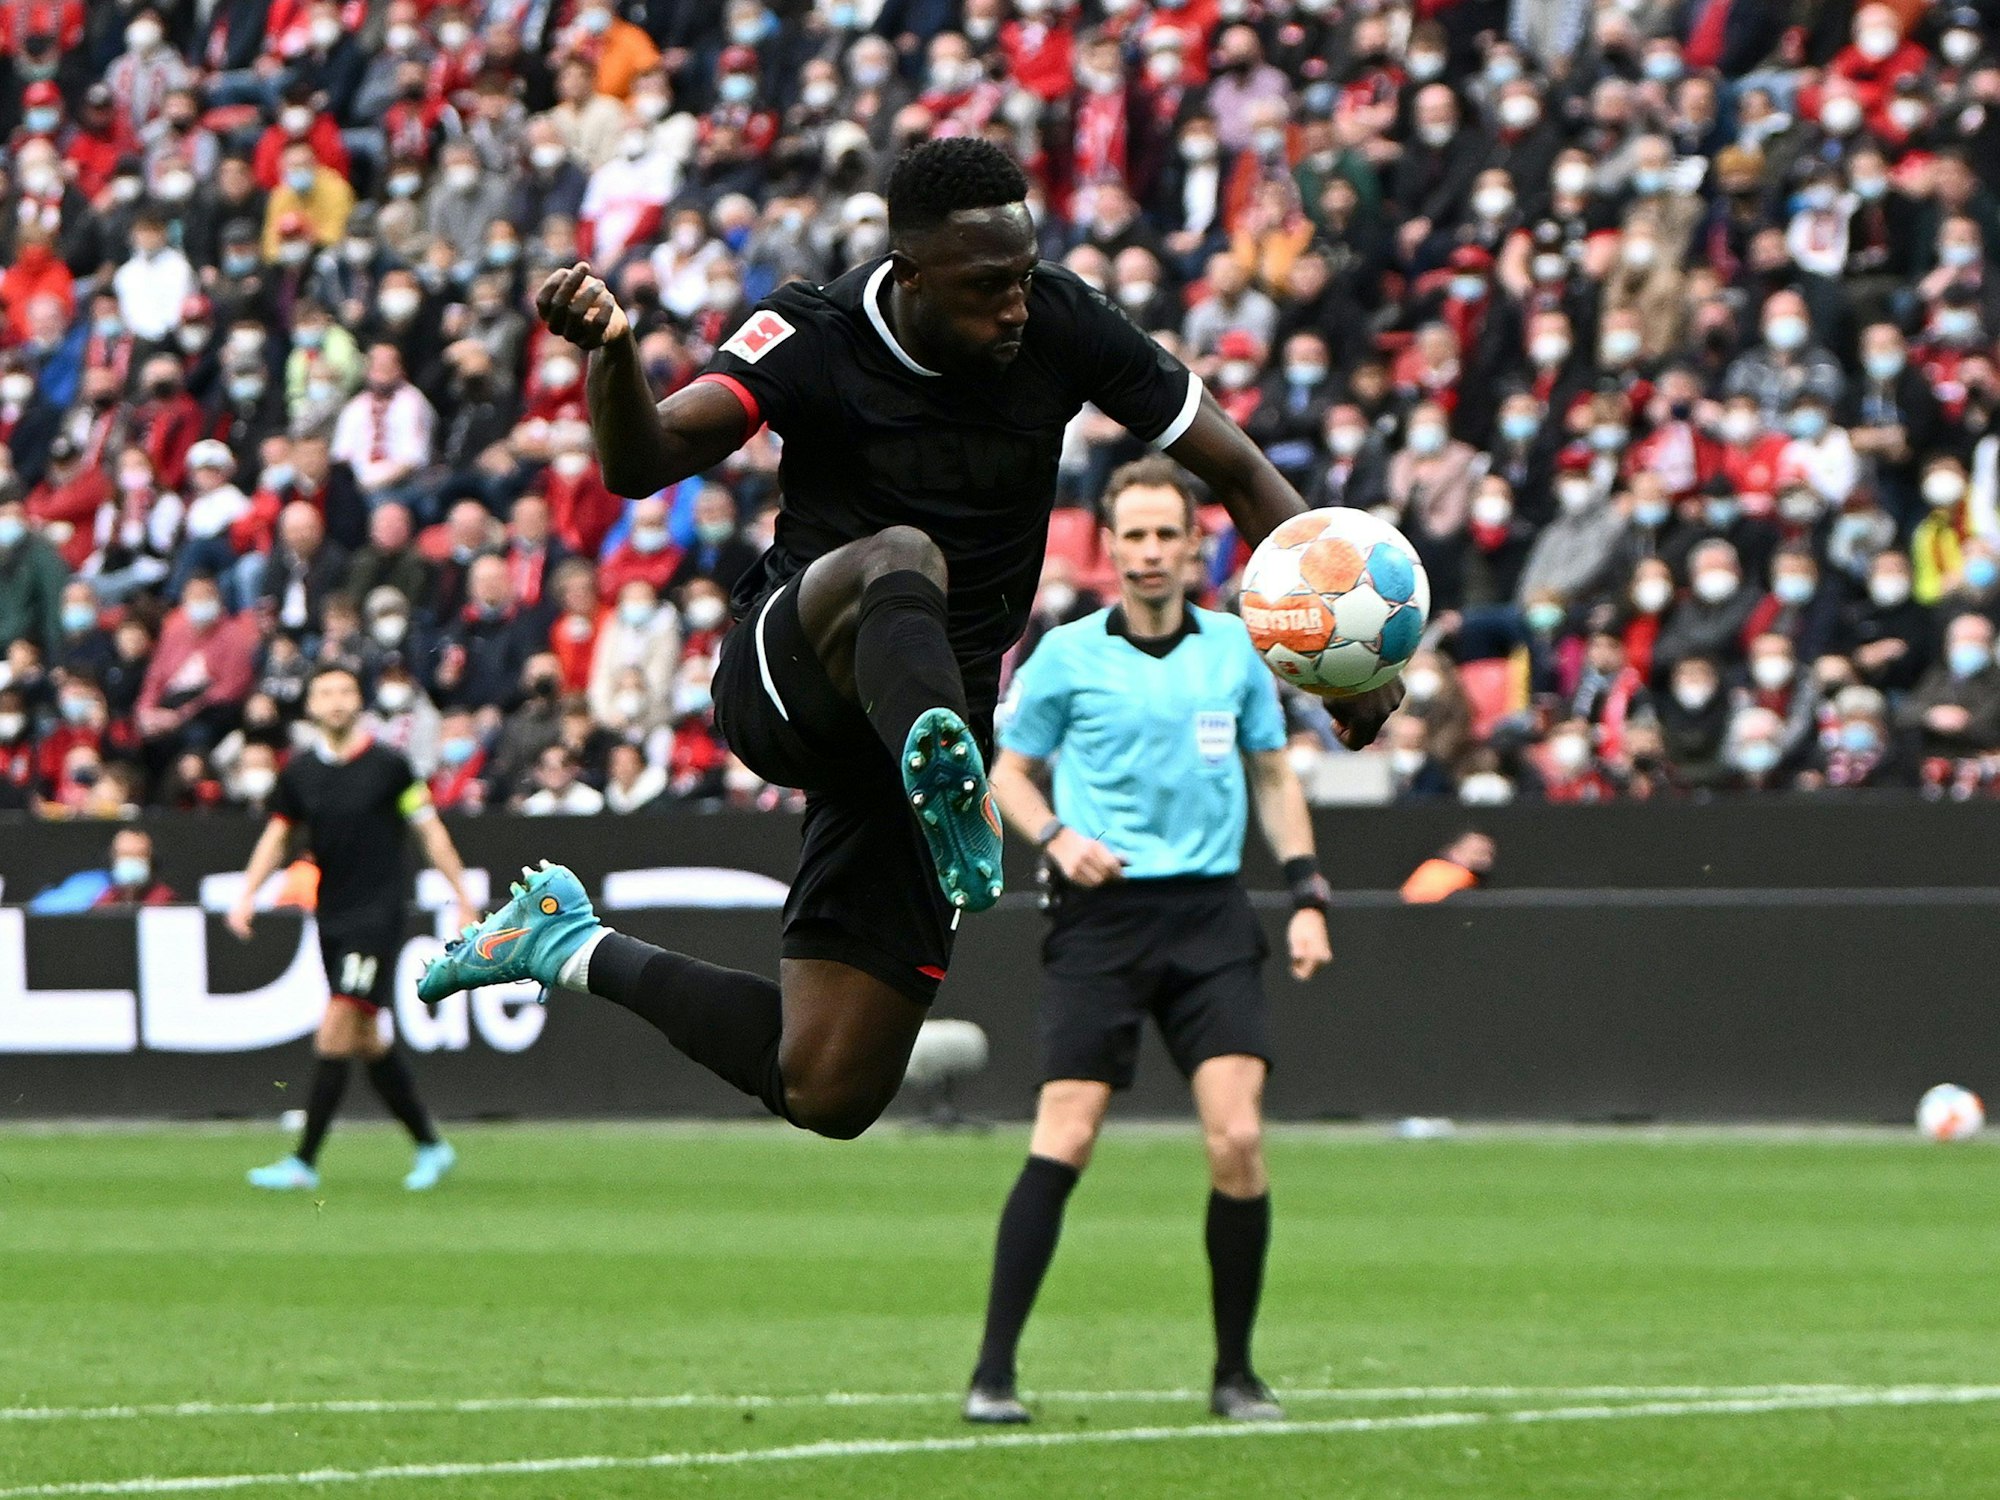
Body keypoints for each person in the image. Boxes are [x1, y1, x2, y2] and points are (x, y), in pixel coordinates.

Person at [418, 138, 1397, 1143]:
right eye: (987, 287)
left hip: (921, 746)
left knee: (829, 1087)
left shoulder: (1059, 320)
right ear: (911, 275)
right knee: (901, 558)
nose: (1015, 305)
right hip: (795, 672)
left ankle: (564, 943)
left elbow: (1234, 469)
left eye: (1021, 276)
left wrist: (1331, 651)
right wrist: (614, 354)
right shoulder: (811, 331)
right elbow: (644, 458)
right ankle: (945, 769)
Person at [962, 459, 1332, 1425]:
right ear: (1109, 549)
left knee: (1238, 1139)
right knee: (1067, 1135)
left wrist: (1305, 892)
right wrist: (1056, 839)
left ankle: (1235, 1374)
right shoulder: (1067, 656)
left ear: (1195, 546)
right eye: (1135, 536)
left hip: (1209, 914)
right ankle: (992, 1374)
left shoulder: (1240, 652)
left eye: (1169, 535)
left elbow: (1274, 778)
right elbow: (1010, 775)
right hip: (1102, 917)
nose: (1152, 552)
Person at [229, 664, 478, 1193]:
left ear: (359, 702)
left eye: (345, 691)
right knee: (366, 1038)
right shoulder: (299, 774)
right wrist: (247, 894)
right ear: (312, 707)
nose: (336, 700)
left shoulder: (390, 767)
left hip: (377, 917)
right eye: (325, 692)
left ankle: (304, 1160)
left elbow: (429, 832)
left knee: (337, 1024)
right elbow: (277, 837)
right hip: (332, 916)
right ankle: (432, 1146)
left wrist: (462, 897)